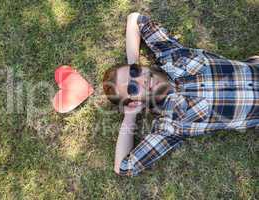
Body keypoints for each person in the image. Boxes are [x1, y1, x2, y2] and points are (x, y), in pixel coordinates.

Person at [102, 12, 259, 176]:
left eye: (135, 72)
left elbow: (134, 19)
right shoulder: (170, 126)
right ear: (133, 102)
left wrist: (132, 63)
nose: (143, 80)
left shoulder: (170, 54)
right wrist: (130, 116)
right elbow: (123, 167)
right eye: (133, 89)